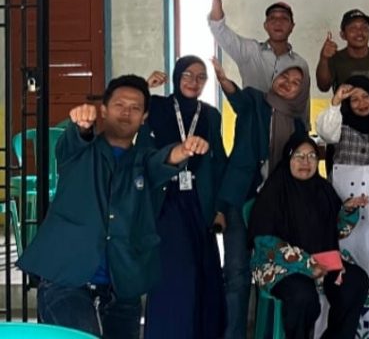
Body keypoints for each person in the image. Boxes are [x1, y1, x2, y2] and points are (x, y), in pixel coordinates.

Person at [18, 75, 209, 339]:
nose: (126, 112)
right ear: (104, 110)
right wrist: (81, 126)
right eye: (119, 105)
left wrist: (183, 150)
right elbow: (71, 142)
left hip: (122, 286)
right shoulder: (78, 151)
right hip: (67, 280)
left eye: (135, 108)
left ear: (144, 118)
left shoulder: (143, 159)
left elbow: (162, 160)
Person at [213, 61, 310, 339]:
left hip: (277, 207)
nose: (288, 83)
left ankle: (264, 332)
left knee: (272, 270)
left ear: (301, 92)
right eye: (284, 76)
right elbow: (237, 99)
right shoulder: (255, 101)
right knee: (237, 273)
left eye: (296, 83)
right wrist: (224, 81)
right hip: (241, 195)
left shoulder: (298, 124)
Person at [249, 135, 369, 339]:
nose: (305, 162)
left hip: (322, 262)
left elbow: (337, 232)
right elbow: (265, 243)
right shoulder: (274, 191)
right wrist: (306, 264)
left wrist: (348, 210)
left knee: (355, 282)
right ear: (288, 158)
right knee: (302, 296)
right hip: (279, 266)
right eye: (299, 156)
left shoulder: (323, 189)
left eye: (312, 156)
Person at [143, 58, 227, 339]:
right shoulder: (157, 106)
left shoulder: (211, 115)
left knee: (205, 273)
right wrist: (145, 87)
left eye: (201, 77)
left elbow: (218, 162)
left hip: (199, 203)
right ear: (177, 76)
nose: (194, 81)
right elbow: (130, 114)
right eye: (188, 75)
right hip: (165, 201)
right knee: (176, 273)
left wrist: (219, 208)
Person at [207, 0, 309, 98]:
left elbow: (302, 103)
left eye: (284, 18)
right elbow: (218, 29)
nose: (278, 22)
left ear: (292, 27)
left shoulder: (300, 64)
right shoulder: (250, 51)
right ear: (265, 26)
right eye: (272, 18)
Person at [317, 8, 369, 112]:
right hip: (344, 120)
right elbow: (323, 87)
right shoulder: (335, 59)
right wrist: (324, 59)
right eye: (353, 28)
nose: (360, 32)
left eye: (364, 27)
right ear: (343, 35)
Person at [316, 75, 369, 166]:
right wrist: (336, 100)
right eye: (355, 99)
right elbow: (326, 134)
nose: (361, 103)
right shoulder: (339, 123)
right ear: (348, 102)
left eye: (366, 96)